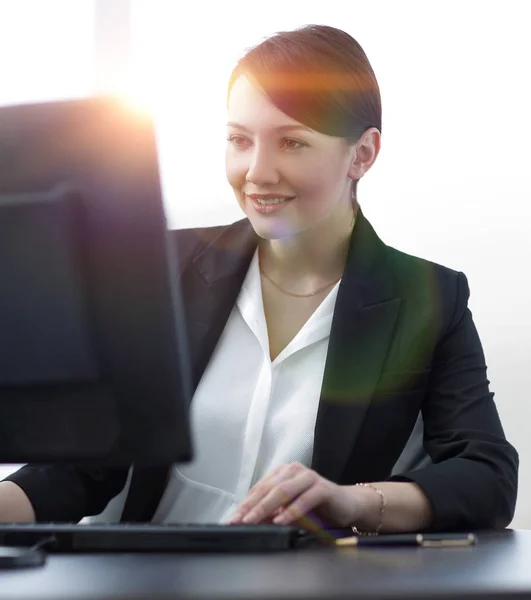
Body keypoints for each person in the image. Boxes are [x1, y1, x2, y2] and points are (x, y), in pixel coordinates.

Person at [0, 24, 518, 533]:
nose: (257, 172)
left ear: (362, 153)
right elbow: (83, 467)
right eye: (239, 140)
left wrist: (353, 502)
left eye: (291, 143)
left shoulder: (427, 299)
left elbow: (488, 475)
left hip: (304, 587)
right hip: (152, 581)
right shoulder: (165, 268)